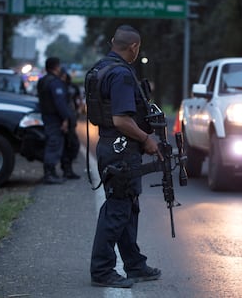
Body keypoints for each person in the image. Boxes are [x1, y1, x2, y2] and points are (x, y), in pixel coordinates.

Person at [89, 25, 162, 288]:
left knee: (128, 207)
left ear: (113, 42)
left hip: (113, 147)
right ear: (134, 47)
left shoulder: (102, 68)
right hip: (121, 149)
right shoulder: (120, 74)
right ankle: (101, 270)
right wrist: (146, 138)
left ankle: (135, 265)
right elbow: (121, 119)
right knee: (118, 209)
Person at [37, 57, 71, 184]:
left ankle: (51, 173)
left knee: (52, 142)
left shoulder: (42, 81)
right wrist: (65, 119)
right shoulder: (55, 82)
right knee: (54, 143)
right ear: (56, 67)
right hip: (54, 118)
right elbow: (59, 102)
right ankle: (49, 174)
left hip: (46, 115)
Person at [59, 68, 81, 179]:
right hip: (65, 121)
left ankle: (67, 169)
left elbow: (76, 101)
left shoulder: (68, 88)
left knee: (71, 145)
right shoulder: (60, 88)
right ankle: (66, 169)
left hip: (70, 119)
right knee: (70, 145)